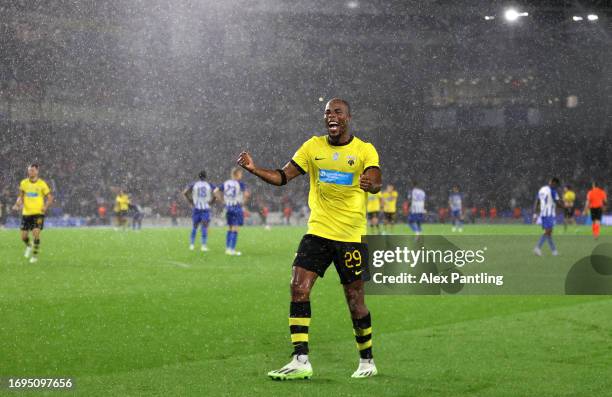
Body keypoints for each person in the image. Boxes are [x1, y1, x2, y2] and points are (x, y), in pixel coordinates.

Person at [237, 98, 382, 380]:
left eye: (337, 112)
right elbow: (282, 176)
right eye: (327, 112)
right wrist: (255, 169)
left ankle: (367, 361)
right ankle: (300, 359)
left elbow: (375, 178)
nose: (331, 116)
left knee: (355, 300)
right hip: (317, 231)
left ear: (348, 118)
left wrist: (371, 184)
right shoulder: (312, 147)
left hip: (350, 237)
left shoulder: (364, 149)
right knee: (298, 287)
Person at [12, 164, 54, 263]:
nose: (31, 172)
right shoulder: (24, 183)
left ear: (37, 171)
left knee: (36, 233)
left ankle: (34, 256)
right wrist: (17, 203)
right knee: (24, 237)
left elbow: (50, 198)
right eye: (30, 170)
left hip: (38, 213)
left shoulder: (42, 184)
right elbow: (21, 196)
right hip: (26, 213)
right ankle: (29, 246)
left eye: (33, 170)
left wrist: (45, 207)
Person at [214, 167, 249, 256]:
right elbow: (246, 194)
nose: (241, 176)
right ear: (236, 174)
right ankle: (232, 249)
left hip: (228, 207)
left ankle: (227, 248)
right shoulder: (240, 184)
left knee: (230, 227)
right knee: (235, 228)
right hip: (236, 207)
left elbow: (215, 191)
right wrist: (243, 202)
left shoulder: (226, 183)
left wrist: (221, 200)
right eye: (240, 174)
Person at [182, 170, 215, 251]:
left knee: (194, 227)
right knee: (204, 227)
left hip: (196, 208)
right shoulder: (209, 185)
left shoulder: (194, 184)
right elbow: (216, 192)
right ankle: (203, 246)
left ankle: (192, 245)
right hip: (205, 209)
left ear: (199, 176)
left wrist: (190, 201)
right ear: (206, 176)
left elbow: (185, 192)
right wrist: (212, 201)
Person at [533, 178, 562, 256]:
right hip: (549, 214)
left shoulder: (542, 189)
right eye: (556, 184)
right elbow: (557, 202)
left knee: (549, 233)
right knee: (548, 232)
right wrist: (565, 208)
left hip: (543, 214)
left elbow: (537, 202)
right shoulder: (553, 191)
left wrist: (535, 214)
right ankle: (538, 248)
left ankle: (554, 251)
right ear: (553, 183)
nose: (556, 186)